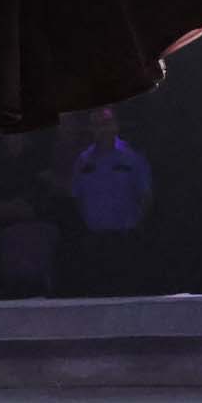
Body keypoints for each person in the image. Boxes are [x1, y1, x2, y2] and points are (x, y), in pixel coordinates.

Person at [68, 109, 156, 293]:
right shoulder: (83, 161)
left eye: (106, 123)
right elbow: (77, 197)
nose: (103, 129)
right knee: (98, 295)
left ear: (116, 125)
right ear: (91, 129)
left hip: (125, 239)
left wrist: (136, 225)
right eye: (97, 125)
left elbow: (146, 195)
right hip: (96, 241)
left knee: (128, 293)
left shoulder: (132, 157)